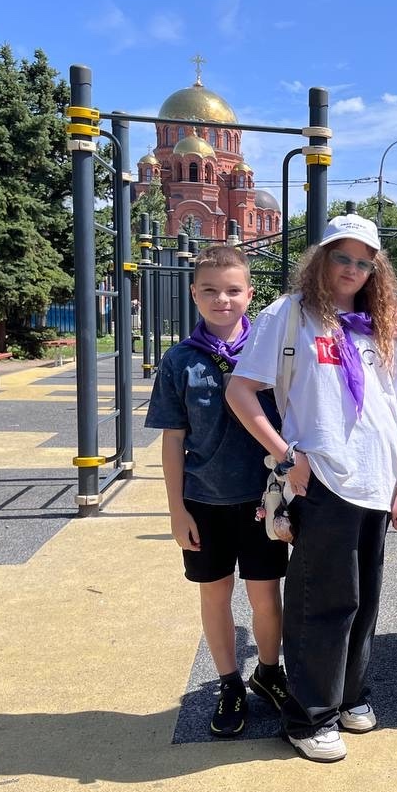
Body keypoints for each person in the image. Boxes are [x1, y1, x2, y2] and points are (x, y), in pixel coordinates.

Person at [227, 214, 397, 764]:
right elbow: (241, 390)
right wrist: (288, 455)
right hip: (325, 479)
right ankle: (310, 716)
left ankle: (349, 695)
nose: (352, 270)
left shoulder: (375, 327)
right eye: (342, 257)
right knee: (322, 602)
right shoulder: (289, 316)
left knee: (364, 600)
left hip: (376, 483)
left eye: (364, 262)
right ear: (321, 259)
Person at [145, 244, 289, 738]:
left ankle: (268, 671)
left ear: (249, 294)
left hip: (262, 500)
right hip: (204, 501)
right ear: (194, 294)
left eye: (232, 290)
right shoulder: (179, 361)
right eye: (210, 290)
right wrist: (176, 511)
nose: (221, 300)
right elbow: (173, 440)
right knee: (215, 594)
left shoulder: (268, 354)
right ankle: (229, 683)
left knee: (266, 594)